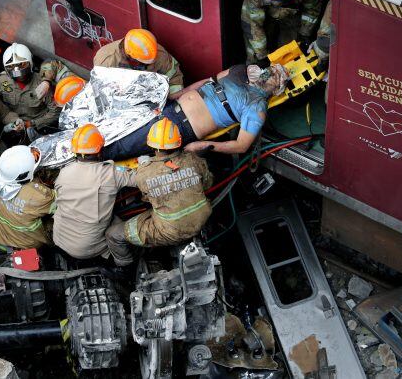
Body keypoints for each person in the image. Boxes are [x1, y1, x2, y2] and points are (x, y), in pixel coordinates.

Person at [101, 63, 288, 160]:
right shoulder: (240, 71)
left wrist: (202, 146)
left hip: (178, 128)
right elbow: (208, 81)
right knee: (117, 118)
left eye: (275, 77)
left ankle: (86, 160)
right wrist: (180, 93)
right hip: (169, 107)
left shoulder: (257, 108)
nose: (271, 74)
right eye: (271, 70)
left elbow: (241, 146)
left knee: (123, 145)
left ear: (276, 89)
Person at [106, 119, 213, 262]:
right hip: (200, 219)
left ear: (151, 145)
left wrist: (146, 166)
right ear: (178, 142)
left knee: (113, 235)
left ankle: (125, 268)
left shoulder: (144, 173)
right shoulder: (194, 160)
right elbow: (207, 184)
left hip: (170, 232)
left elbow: (146, 197)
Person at [53, 125, 136, 263]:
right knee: (123, 228)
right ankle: (125, 266)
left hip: (60, 239)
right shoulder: (110, 173)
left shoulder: (64, 172)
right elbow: (139, 178)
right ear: (99, 151)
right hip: (86, 249)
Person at [241, 0, 332, 65]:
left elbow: (312, 10)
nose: (272, 4)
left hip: (292, 14)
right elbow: (253, 27)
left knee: (289, 51)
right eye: (268, 0)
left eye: (275, 2)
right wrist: (261, 56)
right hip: (264, 16)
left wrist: (305, 33)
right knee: (255, 54)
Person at [0, 146, 56, 251]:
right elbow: (62, 203)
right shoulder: (39, 196)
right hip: (28, 244)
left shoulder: (0, 179)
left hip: (0, 235)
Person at [0, 43, 61, 133]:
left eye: (22, 67)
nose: (20, 75)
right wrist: (12, 121)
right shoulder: (3, 82)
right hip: (14, 125)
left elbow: (55, 112)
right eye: (12, 69)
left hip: (40, 127)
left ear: (30, 64)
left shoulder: (42, 84)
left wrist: (33, 123)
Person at [93, 28, 184, 98]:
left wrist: (173, 97)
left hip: (152, 97)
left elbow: (174, 77)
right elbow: (101, 90)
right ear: (129, 56)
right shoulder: (106, 60)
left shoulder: (156, 54)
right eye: (142, 63)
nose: (146, 66)